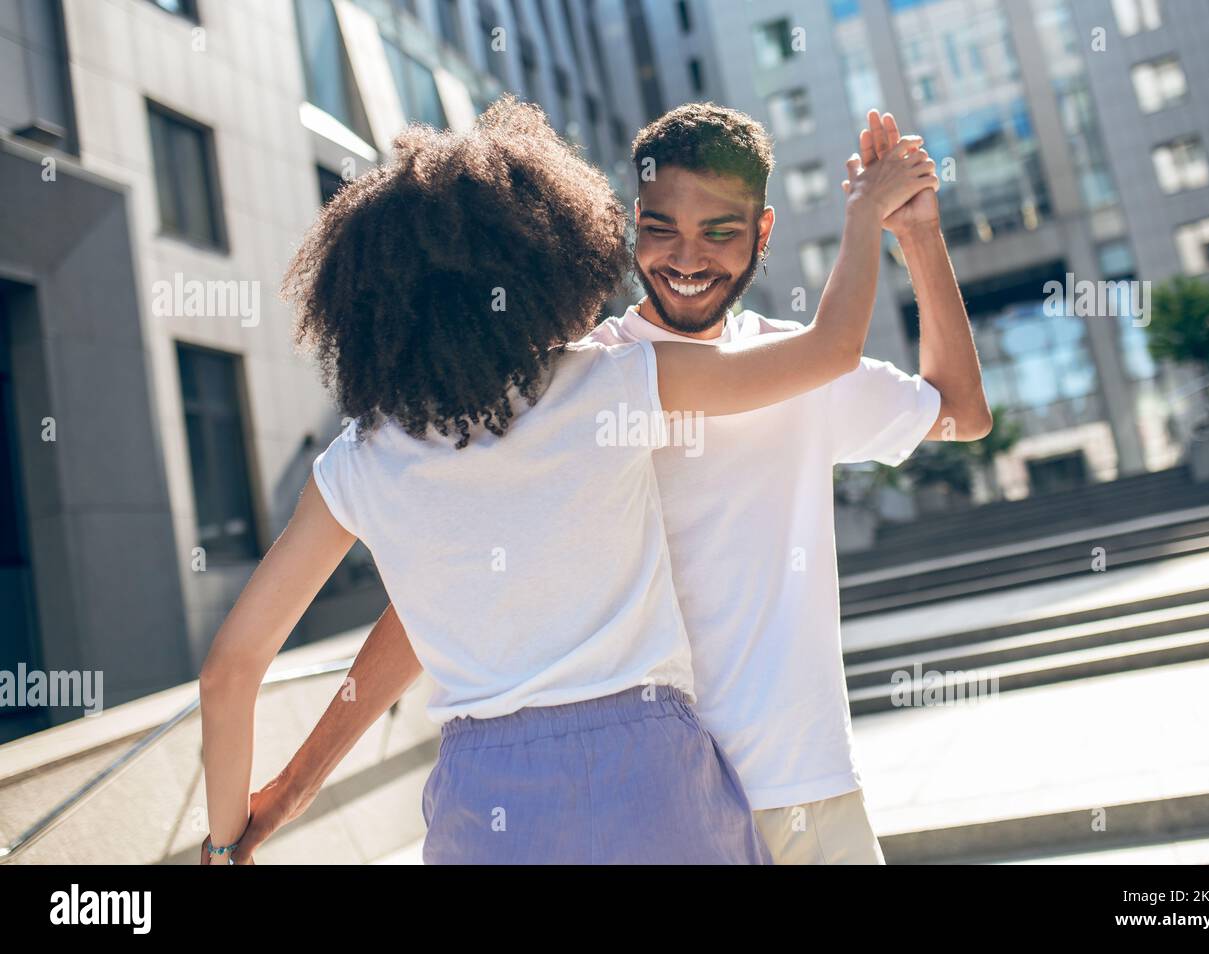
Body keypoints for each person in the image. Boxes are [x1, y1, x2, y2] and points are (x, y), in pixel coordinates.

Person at [197, 96, 938, 864]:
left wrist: (236, 835)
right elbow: (830, 352)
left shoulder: (360, 462)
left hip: (484, 800)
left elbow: (228, 673)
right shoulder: (609, 385)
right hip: (650, 778)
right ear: (551, 261)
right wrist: (865, 213)